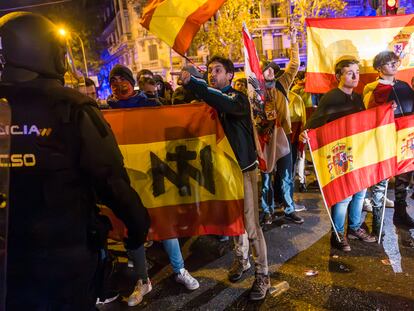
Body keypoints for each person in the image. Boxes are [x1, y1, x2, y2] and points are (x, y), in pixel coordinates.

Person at [0, 12, 150, 310]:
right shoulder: (72, 108)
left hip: (8, 262)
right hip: (66, 257)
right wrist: (137, 225)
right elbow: (110, 177)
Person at [179, 56, 270, 300]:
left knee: (251, 226)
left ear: (230, 75)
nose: (212, 74)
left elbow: (224, 103)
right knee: (232, 223)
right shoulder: (208, 103)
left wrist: (195, 84)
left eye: (218, 70)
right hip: (221, 172)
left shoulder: (237, 99)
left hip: (244, 170)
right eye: (209, 71)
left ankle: (263, 275)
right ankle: (243, 260)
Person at [303, 57, 376, 251]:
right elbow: (315, 122)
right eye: (349, 72)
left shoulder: (358, 97)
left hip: (359, 152)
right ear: (338, 76)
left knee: (360, 193)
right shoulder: (331, 97)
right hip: (341, 155)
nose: (355, 75)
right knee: (344, 196)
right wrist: (305, 134)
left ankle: (354, 228)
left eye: (357, 72)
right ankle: (337, 234)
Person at [363, 51, 414, 232]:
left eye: (395, 61)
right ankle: (377, 225)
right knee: (381, 183)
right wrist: (384, 109)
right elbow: (369, 115)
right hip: (385, 142)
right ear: (378, 68)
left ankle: (400, 214)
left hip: (406, 142)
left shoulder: (405, 86)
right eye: (388, 62)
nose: (393, 64)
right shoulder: (373, 89)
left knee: (403, 181)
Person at [261, 26, 304, 225]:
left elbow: (294, 64)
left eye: (271, 68)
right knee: (266, 177)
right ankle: (267, 210)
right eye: (265, 69)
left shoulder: (282, 83)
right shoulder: (256, 89)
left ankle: (288, 208)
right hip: (264, 137)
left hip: (283, 135)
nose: (268, 71)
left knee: (286, 174)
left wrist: (294, 42)